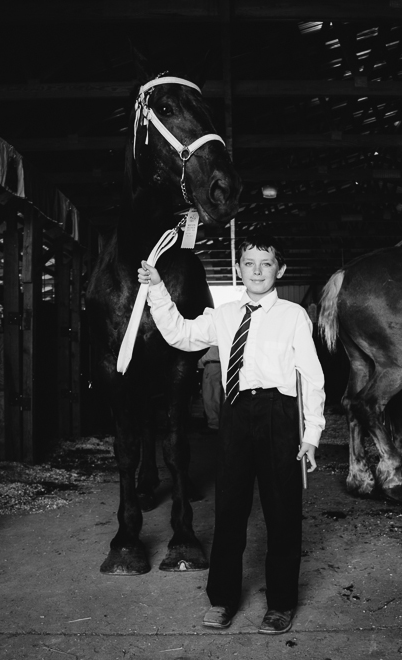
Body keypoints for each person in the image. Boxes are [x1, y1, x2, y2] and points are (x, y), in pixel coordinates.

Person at [138, 233, 325, 635]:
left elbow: (312, 377)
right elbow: (180, 334)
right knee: (230, 512)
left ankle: (280, 603)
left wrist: (311, 434)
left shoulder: (293, 315)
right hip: (236, 414)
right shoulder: (223, 314)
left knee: (282, 513)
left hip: (279, 415)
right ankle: (223, 598)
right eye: (250, 264)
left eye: (267, 264)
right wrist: (156, 287)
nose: (258, 271)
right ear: (239, 269)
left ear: (280, 270)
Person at [198, 345, 223, 432]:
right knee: (217, 394)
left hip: (211, 365)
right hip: (220, 365)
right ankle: (219, 423)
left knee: (210, 395)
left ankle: (214, 424)